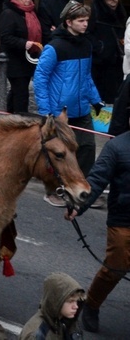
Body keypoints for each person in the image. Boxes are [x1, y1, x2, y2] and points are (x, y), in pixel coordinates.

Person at [34, 0, 102, 208]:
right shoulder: (54, 48)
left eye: (87, 20)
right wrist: (46, 111)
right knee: (60, 154)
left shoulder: (86, 44)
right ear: (69, 22)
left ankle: (80, 189)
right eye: (81, 21)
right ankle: (54, 190)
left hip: (82, 109)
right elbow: (40, 78)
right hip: (60, 113)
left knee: (88, 148)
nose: (85, 25)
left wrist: (95, 99)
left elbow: (86, 76)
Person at [65, 126, 130, 334]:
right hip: (123, 220)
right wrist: (78, 205)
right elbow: (96, 180)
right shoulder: (116, 147)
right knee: (116, 268)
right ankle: (92, 304)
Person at [0, 0, 41, 113]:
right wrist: (24, 43)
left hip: (28, 60)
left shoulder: (30, 11)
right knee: (21, 93)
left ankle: (10, 115)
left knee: (18, 91)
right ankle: (19, 119)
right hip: (14, 61)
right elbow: (5, 37)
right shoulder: (8, 14)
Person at [88, 0, 126, 103]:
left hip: (117, 62)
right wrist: (100, 47)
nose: (114, 0)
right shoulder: (94, 12)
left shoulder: (121, 12)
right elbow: (87, 34)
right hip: (100, 64)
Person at [18, 272, 85, 340]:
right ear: (56, 301)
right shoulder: (37, 335)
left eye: (76, 301)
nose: (76, 306)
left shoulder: (63, 321)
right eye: (70, 301)